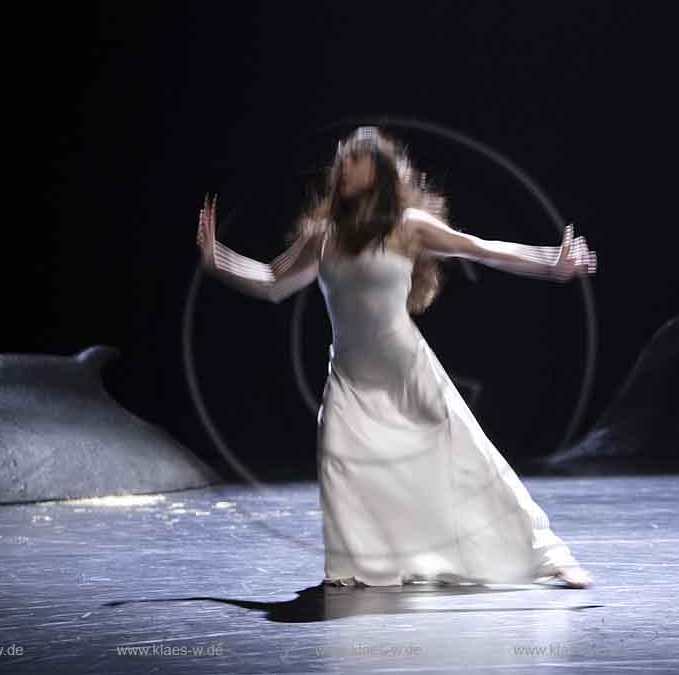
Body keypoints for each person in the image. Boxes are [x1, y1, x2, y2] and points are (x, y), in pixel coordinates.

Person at [195, 126, 597, 589]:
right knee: (343, 464)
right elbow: (271, 281)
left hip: (407, 369)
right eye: (342, 159)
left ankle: (545, 556)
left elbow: (483, 250)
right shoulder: (322, 236)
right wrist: (216, 257)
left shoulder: (407, 226)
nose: (345, 166)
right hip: (350, 375)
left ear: (380, 172)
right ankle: (365, 566)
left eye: (357, 158)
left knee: (468, 461)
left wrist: (552, 262)